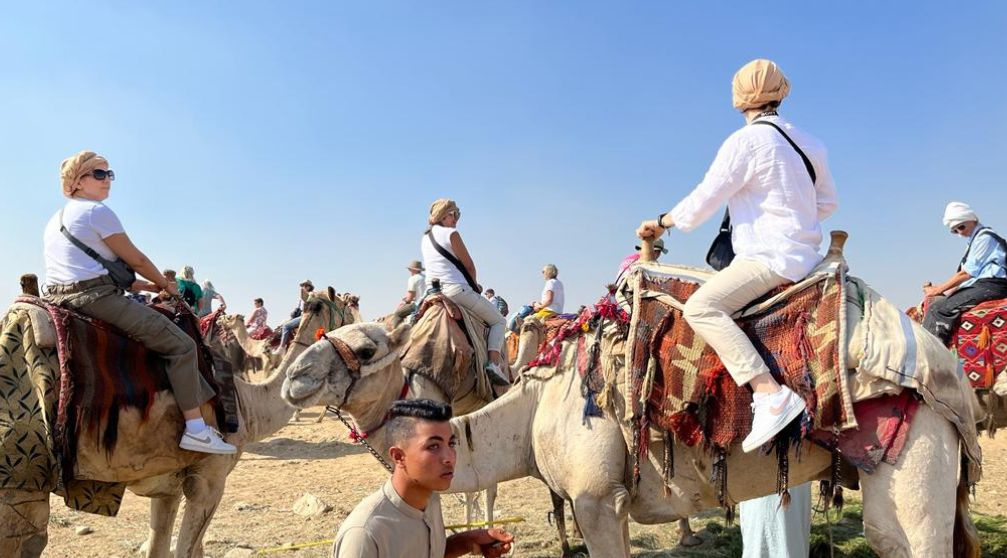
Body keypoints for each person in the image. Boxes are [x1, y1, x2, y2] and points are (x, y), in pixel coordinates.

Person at [636, 59, 838, 453]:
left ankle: (769, 393)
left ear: (738, 98)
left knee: (701, 309)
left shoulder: (745, 142)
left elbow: (701, 202)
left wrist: (661, 222)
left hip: (767, 258)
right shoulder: (811, 143)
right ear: (782, 93)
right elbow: (827, 203)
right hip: (808, 259)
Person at [42, 150, 235, 454]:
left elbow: (87, 265)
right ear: (78, 182)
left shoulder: (57, 219)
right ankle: (196, 429)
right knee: (181, 345)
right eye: (99, 174)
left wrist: (140, 284)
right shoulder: (97, 212)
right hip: (96, 299)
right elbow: (138, 258)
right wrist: (165, 286)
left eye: (110, 174)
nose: (108, 180)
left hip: (61, 297)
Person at [332, 399, 514, 558]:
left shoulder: (429, 500)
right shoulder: (365, 535)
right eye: (433, 446)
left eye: (451, 443)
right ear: (398, 457)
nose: (449, 457)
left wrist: (467, 541)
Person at [421, 199, 509, 385]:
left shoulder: (425, 238)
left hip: (433, 293)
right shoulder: (452, 234)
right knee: (499, 321)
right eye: (454, 214)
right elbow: (469, 266)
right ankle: (493, 364)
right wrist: (475, 285)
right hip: (456, 291)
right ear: (443, 215)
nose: (456, 219)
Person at [923, 202, 1007, 347]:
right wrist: (946, 292)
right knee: (939, 303)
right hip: (983, 284)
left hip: (993, 285)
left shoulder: (984, 238)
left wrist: (938, 290)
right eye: (955, 231)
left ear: (972, 219)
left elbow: (966, 274)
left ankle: (933, 356)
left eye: (961, 226)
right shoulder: (974, 241)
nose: (959, 232)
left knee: (939, 310)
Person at [278, 280, 314, 350]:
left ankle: (281, 347)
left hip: (305, 317)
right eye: (303, 285)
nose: (303, 287)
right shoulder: (303, 297)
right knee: (283, 323)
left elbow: (307, 309)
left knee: (286, 326)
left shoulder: (310, 295)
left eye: (305, 285)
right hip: (301, 315)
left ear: (309, 287)